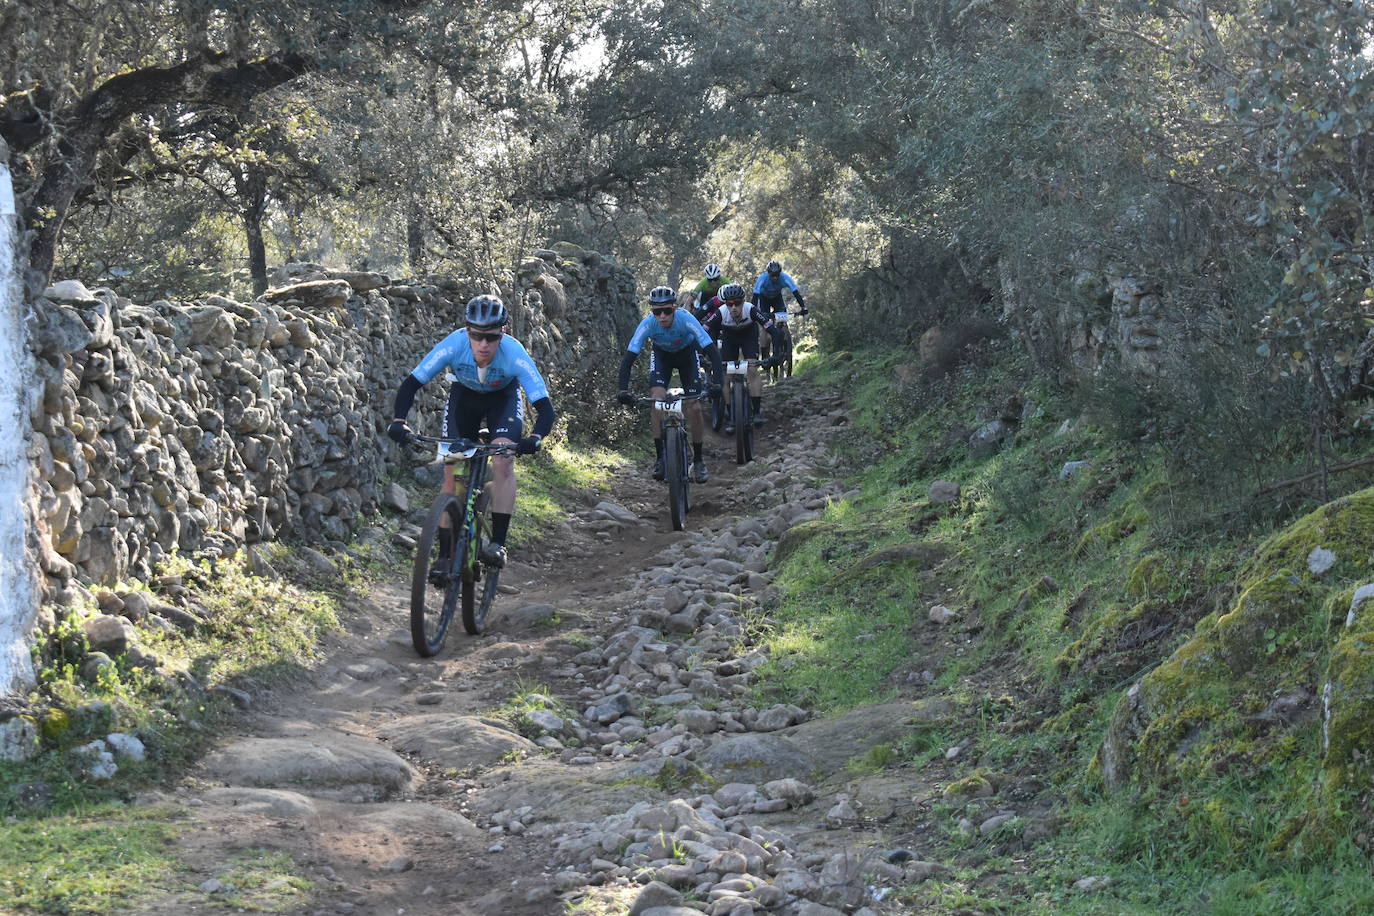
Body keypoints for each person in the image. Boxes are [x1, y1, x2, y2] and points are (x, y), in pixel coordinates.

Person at [387, 294, 555, 569]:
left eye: (491, 337)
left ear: (503, 333)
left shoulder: (514, 353)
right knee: (453, 475)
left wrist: (534, 438)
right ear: (467, 331)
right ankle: (443, 556)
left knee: (502, 461)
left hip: (502, 401)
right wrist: (399, 420)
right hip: (464, 400)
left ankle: (498, 543)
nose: (484, 344)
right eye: (477, 336)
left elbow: (545, 407)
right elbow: (411, 384)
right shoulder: (454, 344)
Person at [616, 285, 724, 483]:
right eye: (657, 312)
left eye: (667, 310)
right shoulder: (648, 324)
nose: (662, 316)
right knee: (656, 403)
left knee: (695, 406)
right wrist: (623, 390)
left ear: (675, 308)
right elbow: (628, 359)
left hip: (687, 355)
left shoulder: (686, 319)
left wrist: (718, 384)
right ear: (652, 312)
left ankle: (698, 461)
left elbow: (712, 352)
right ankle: (660, 459)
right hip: (662, 356)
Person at [702, 283, 779, 429]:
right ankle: (731, 416)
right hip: (729, 339)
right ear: (726, 304)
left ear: (743, 301)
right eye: (729, 304)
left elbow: (773, 331)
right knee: (726, 376)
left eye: (737, 303)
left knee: (752, 370)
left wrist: (776, 355)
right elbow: (704, 331)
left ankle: (756, 413)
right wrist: (704, 354)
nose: (733, 307)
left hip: (748, 337)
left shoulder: (751, 309)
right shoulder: (720, 312)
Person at [752, 259, 808, 365]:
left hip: (777, 299)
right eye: (772, 275)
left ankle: (784, 343)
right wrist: (753, 312)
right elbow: (755, 296)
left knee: (783, 318)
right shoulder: (762, 278)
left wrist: (803, 307)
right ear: (768, 273)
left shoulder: (785, 278)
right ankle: (764, 352)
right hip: (764, 300)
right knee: (764, 325)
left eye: (777, 275)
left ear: (780, 273)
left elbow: (796, 293)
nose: (775, 278)